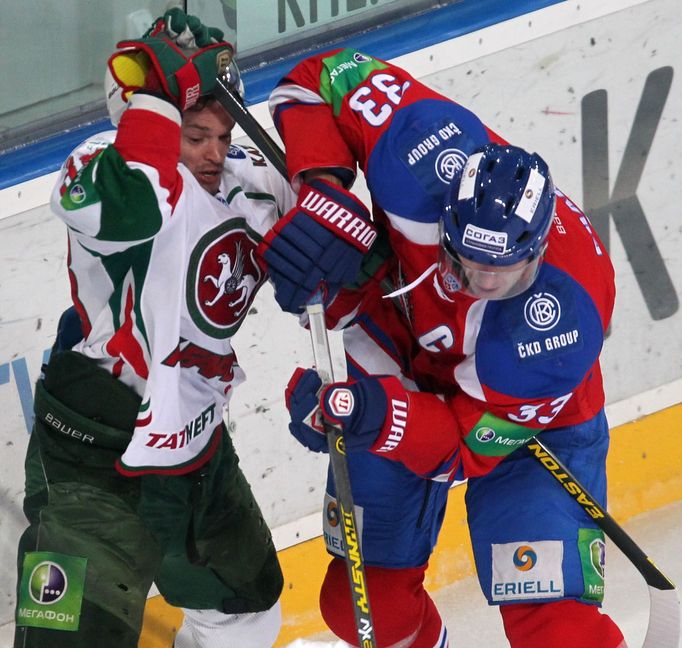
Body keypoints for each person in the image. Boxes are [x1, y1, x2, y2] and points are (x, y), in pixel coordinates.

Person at [257, 48, 626, 647]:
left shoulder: (559, 328)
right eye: (465, 256)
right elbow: (311, 78)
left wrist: (372, 415)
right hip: (398, 358)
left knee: (560, 632)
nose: (477, 279)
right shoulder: (423, 150)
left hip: (524, 426)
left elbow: (459, 448)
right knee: (362, 611)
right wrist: (324, 190)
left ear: (536, 251)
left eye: (499, 268)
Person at [13, 9, 295, 648]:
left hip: (192, 447)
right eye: (195, 133)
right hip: (94, 450)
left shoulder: (249, 176)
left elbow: (318, 150)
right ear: (152, 117)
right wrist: (157, 101)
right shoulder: (97, 167)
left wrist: (327, 204)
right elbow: (134, 206)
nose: (214, 153)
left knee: (249, 613)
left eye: (222, 134)